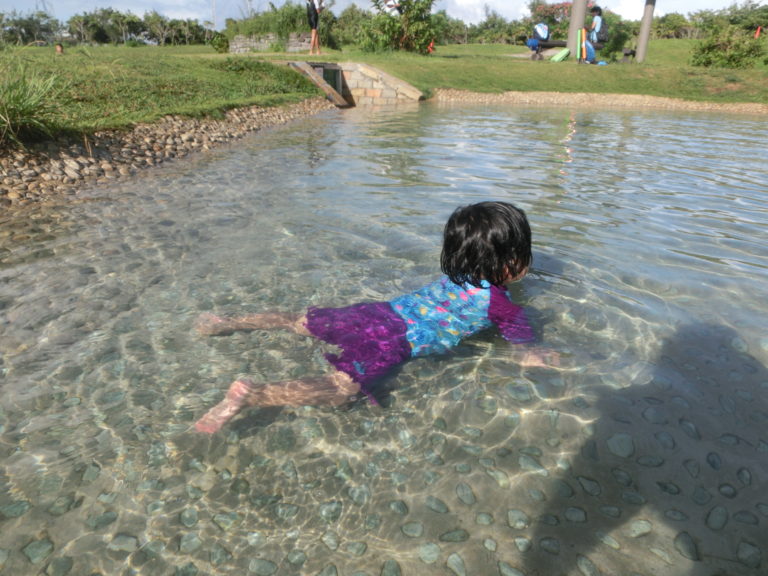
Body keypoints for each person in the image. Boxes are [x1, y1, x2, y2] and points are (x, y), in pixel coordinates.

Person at [194, 201, 558, 434]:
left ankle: (226, 322)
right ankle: (254, 396)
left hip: (380, 311)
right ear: (513, 263)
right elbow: (522, 346)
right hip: (395, 341)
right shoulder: (503, 306)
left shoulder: (456, 275)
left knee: (298, 319)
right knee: (341, 389)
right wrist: (535, 355)